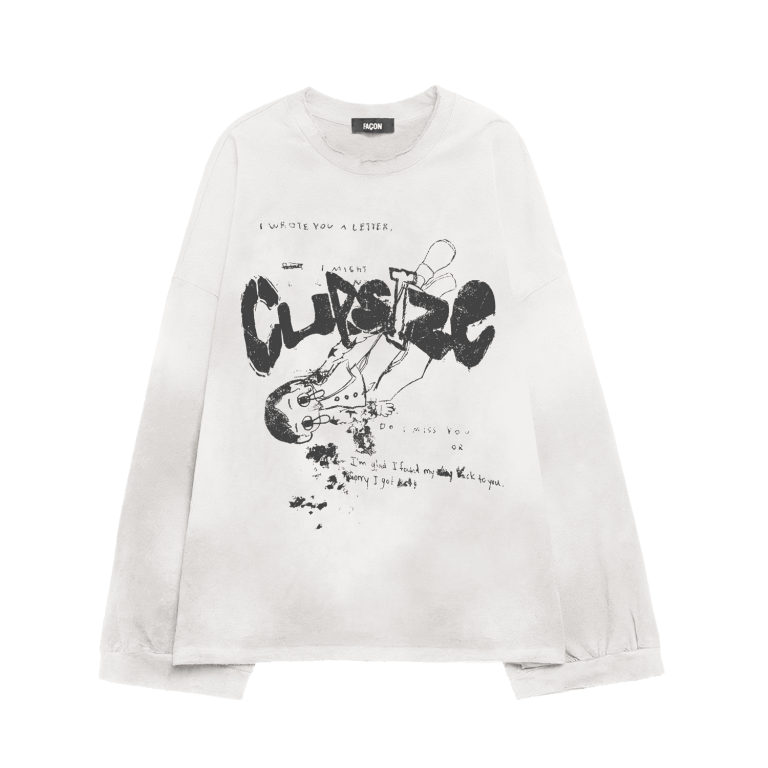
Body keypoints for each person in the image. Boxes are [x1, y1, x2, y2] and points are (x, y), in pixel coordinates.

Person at [265, 240, 458, 446]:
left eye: (302, 401)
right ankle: (436, 294)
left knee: (400, 325)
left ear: (295, 386)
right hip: (376, 388)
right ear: (306, 435)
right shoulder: (332, 416)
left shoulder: (320, 377)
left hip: (368, 363)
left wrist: (355, 340)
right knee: (414, 363)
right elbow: (355, 414)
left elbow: (336, 354)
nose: (312, 409)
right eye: (307, 423)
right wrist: (376, 408)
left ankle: (427, 275)